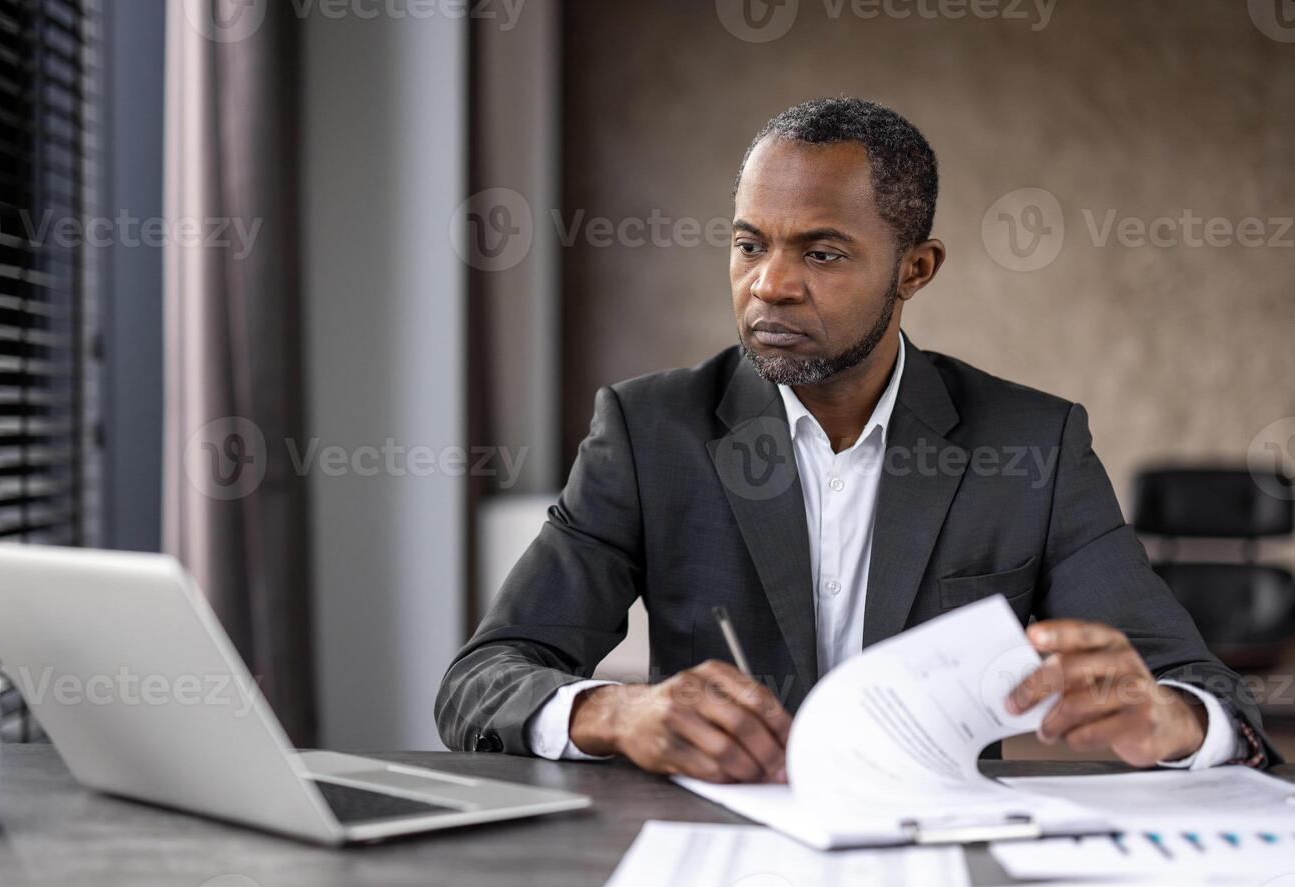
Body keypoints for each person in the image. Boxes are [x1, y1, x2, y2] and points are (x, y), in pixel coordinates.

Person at [435, 97, 1273, 783]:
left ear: (916, 269)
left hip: (939, 861)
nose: (771, 284)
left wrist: (1169, 719)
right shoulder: (649, 432)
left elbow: (1215, 702)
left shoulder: (1033, 447)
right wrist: (616, 712)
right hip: (712, 852)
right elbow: (482, 679)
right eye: (748, 244)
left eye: (823, 253)